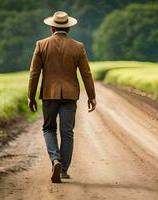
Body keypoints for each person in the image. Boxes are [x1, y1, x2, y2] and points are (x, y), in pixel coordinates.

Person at [27, 11, 96, 183]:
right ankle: (63, 170)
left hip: (49, 95)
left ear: (52, 27)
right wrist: (91, 96)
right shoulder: (78, 47)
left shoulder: (41, 45)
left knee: (49, 129)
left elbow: (34, 74)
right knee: (67, 132)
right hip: (70, 96)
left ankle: (55, 159)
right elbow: (86, 73)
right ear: (69, 28)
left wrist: (31, 96)